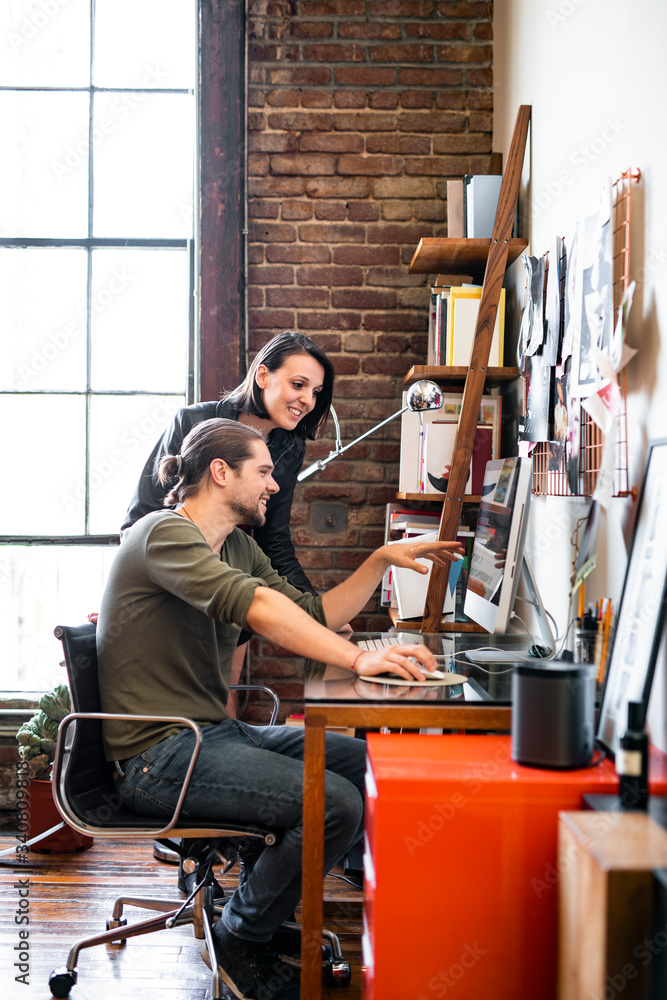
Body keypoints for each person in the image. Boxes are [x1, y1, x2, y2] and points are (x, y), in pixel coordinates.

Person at [97, 418, 463, 1000]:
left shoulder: (236, 546)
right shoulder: (161, 535)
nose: (274, 484)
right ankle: (243, 935)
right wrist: (359, 660)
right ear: (221, 473)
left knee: (367, 765)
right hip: (158, 758)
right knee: (333, 802)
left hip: (213, 735)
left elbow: (313, 612)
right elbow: (259, 606)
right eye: (263, 472)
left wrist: (380, 560)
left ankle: (357, 916)